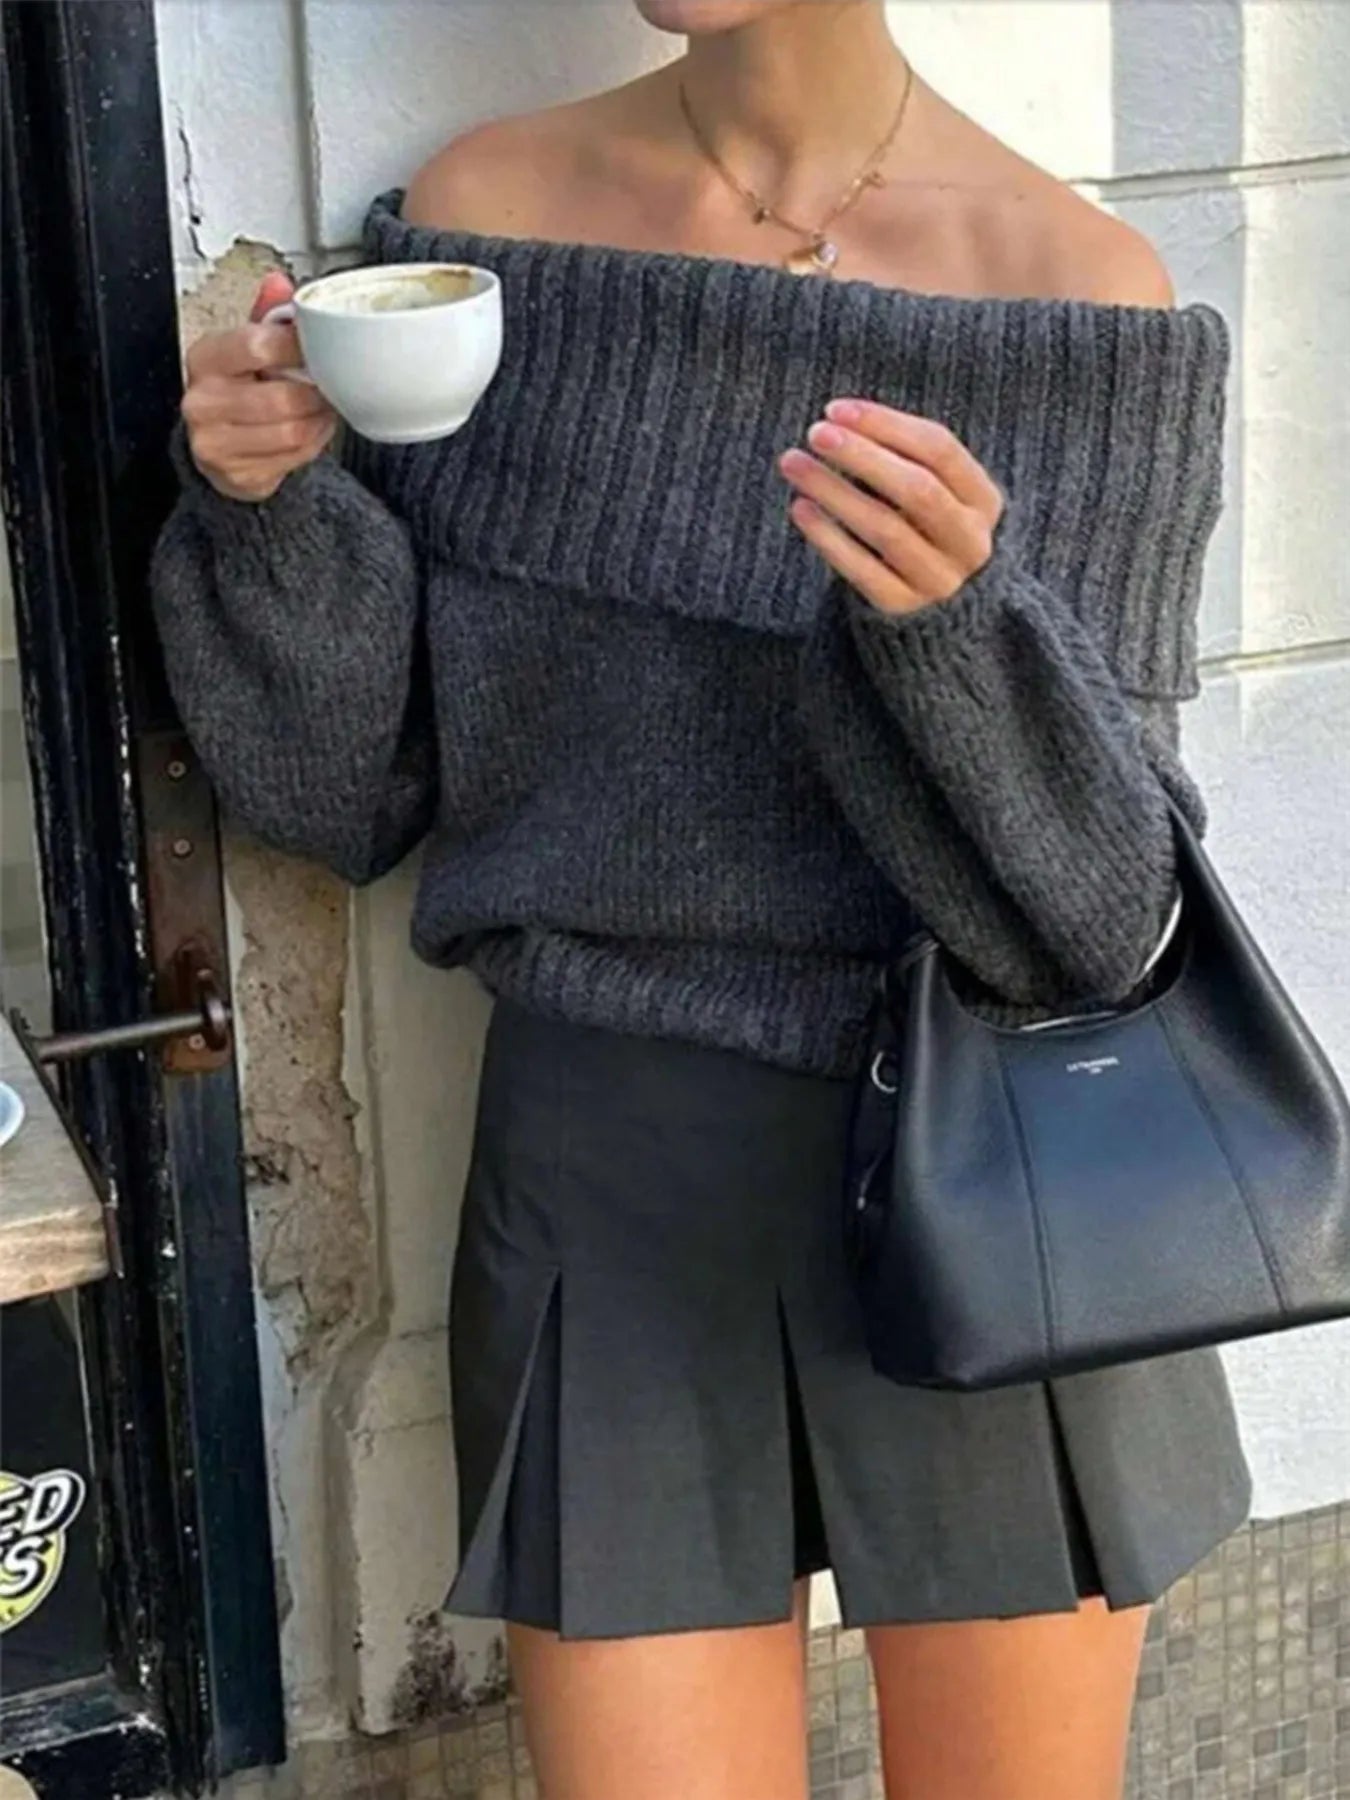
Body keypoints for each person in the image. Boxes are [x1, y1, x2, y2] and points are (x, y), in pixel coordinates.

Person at [151, 3, 1252, 1796]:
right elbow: (350, 799)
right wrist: (265, 511)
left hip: (1003, 1178)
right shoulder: (487, 223)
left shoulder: (1078, 292)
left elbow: (1105, 921)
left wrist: (956, 637)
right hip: (608, 1172)